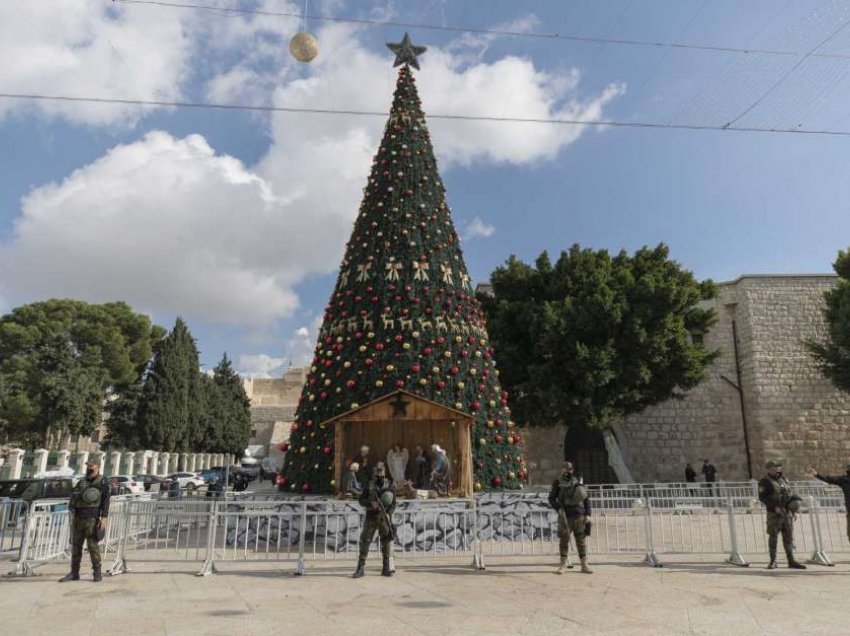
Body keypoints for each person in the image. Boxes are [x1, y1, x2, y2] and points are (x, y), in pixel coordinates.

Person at [60, 457, 110, 582]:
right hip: (78, 517)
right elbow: (74, 496)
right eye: (88, 465)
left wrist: (103, 517)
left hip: (92, 518)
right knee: (76, 546)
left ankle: (97, 572)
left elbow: (106, 500)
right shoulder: (82, 481)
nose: (89, 468)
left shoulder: (102, 481)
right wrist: (71, 508)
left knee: (92, 546)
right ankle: (74, 572)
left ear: (98, 466)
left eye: (91, 466)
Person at [758, 459, 806, 569]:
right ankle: (773, 561)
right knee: (773, 536)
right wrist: (774, 507)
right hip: (774, 513)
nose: (777, 469)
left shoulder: (783, 480)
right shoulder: (765, 481)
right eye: (774, 468)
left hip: (786, 512)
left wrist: (792, 509)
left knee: (788, 537)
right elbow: (762, 497)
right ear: (769, 469)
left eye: (778, 467)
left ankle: (791, 561)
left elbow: (789, 495)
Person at [548, 461, 592, 574]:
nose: (568, 471)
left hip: (579, 514)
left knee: (581, 541)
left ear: (572, 470)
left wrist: (588, 514)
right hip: (565, 516)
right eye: (566, 469)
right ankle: (562, 564)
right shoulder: (557, 483)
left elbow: (586, 499)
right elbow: (551, 498)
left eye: (570, 469)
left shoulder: (578, 482)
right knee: (564, 541)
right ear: (562, 470)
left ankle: (584, 564)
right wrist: (558, 508)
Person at [353, 462, 396, 578]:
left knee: (386, 542)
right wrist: (370, 503)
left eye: (381, 470)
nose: (380, 473)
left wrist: (389, 513)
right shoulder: (369, 485)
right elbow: (361, 500)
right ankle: (360, 568)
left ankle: (386, 568)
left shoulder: (390, 485)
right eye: (378, 470)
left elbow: (393, 503)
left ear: (385, 472)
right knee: (365, 542)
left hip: (383, 518)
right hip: (371, 516)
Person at [808, 463, 850, 544]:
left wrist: (817, 475)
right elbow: (830, 479)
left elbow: (830, 479)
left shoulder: (844, 480)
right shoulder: (844, 480)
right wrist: (817, 475)